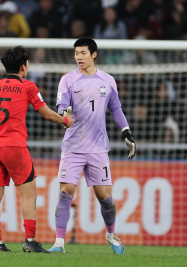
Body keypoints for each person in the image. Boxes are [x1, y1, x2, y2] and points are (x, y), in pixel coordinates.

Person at [0, 46, 75, 252]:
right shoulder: (28, 86)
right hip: (15, 147)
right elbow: (47, 114)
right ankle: (29, 241)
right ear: (23, 66)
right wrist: (65, 120)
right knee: (28, 194)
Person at [50, 37, 136, 255]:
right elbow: (62, 104)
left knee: (105, 198)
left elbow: (116, 109)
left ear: (94, 54)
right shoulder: (67, 80)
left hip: (98, 148)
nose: (79, 57)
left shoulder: (107, 80)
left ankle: (111, 235)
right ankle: (59, 243)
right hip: (73, 147)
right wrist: (63, 114)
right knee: (65, 192)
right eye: (76, 53)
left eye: (83, 53)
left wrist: (126, 132)